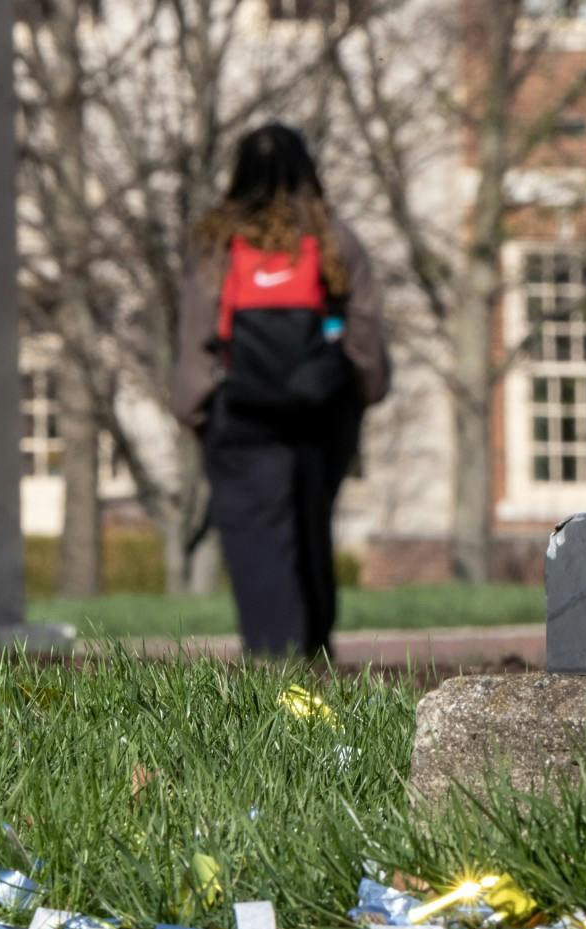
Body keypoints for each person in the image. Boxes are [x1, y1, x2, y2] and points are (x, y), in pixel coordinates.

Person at [173, 123, 392, 660]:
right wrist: (364, 390)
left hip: (242, 414)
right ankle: (316, 656)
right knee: (311, 531)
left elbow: (198, 334)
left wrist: (195, 410)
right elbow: (362, 328)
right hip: (322, 413)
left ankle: (275, 667)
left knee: (258, 544)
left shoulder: (219, 244)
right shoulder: (334, 237)